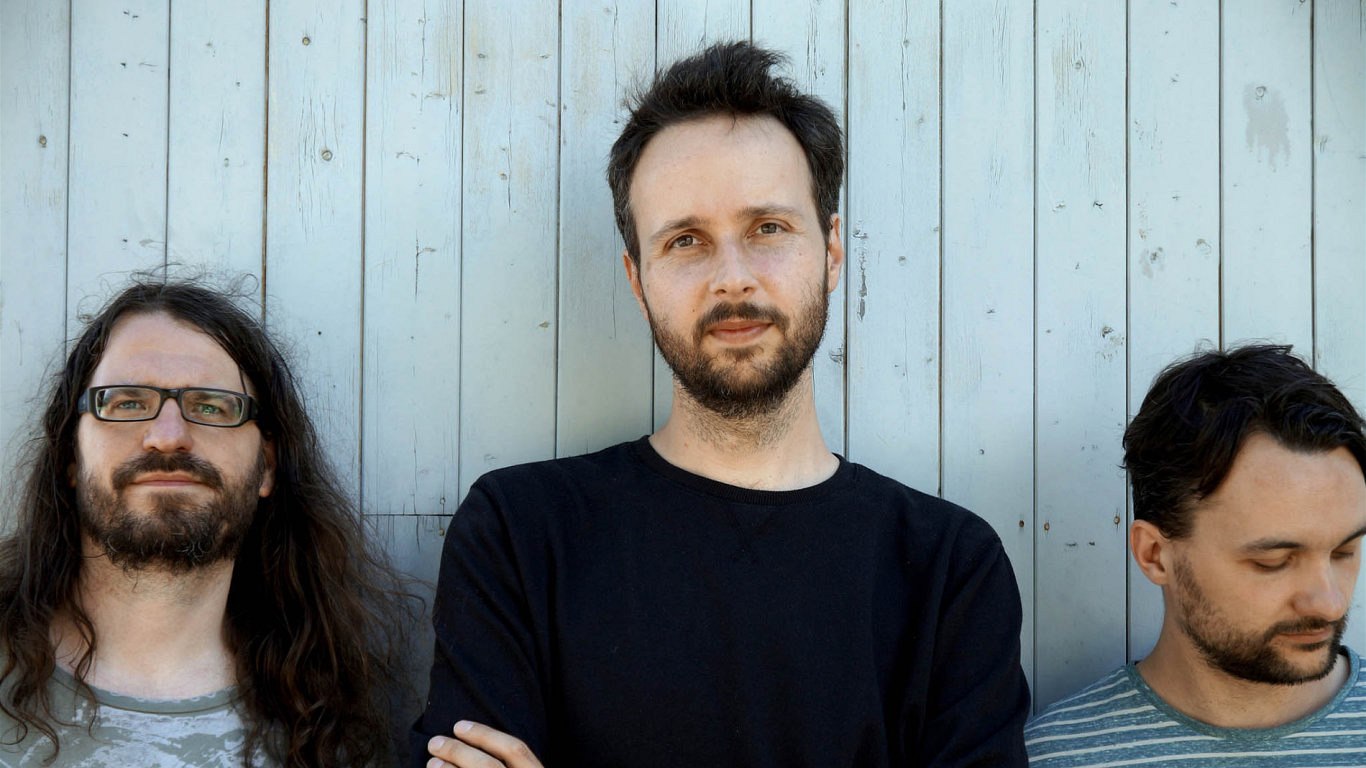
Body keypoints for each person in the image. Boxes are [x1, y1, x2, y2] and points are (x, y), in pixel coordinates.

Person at [416, 41, 1030, 768]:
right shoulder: (521, 536)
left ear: (832, 250)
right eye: (686, 241)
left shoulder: (948, 570)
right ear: (638, 280)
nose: (732, 278)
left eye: (768, 228)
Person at [0, 280, 416, 767]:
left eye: (212, 406)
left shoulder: (329, 724)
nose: (168, 436)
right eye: (126, 403)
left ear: (267, 466)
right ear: (71, 455)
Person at [1026, 344, 1366, 766]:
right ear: (1154, 555)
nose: (1330, 604)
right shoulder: (1055, 756)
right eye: (1273, 562)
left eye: (1344, 552)